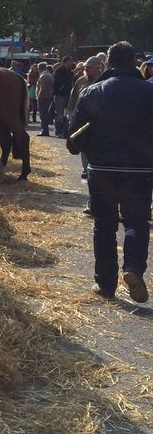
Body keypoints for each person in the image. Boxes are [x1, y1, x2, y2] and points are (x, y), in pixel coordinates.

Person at [69, 41, 153, 304]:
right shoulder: (148, 92)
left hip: (102, 168)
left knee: (104, 225)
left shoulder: (92, 92)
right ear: (134, 62)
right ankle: (133, 269)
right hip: (141, 168)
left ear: (108, 62)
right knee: (137, 223)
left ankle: (105, 284)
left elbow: (74, 138)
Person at [67, 56, 103, 182]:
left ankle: (96, 166)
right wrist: (70, 113)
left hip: (100, 119)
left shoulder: (105, 81)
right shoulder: (81, 81)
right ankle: (86, 169)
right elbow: (73, 97)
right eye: (85, 68)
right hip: (83, 118)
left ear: (98, 68)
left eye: (88, 68)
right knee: (84, 142)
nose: (85, 70)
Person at [52, 55, 76, 138]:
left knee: (68, 114)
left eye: (71, 64)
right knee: (59, 114)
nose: (70, 65)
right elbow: (58, 83)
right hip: (60, 96)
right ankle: (58, 131)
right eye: (69, 64)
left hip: (69, 95)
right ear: (64, 63)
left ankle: (65, 131)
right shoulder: (59, 72)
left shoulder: (70, 72)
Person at [36, 63, 54, 136]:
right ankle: (45, 129)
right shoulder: (49, 74)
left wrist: (39, 97)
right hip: (49, 96)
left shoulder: (43, 76)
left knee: (42, 115)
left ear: (39, 68)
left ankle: (44, 130)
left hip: (43, 97)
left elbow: (42, 88)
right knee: (45, 113)